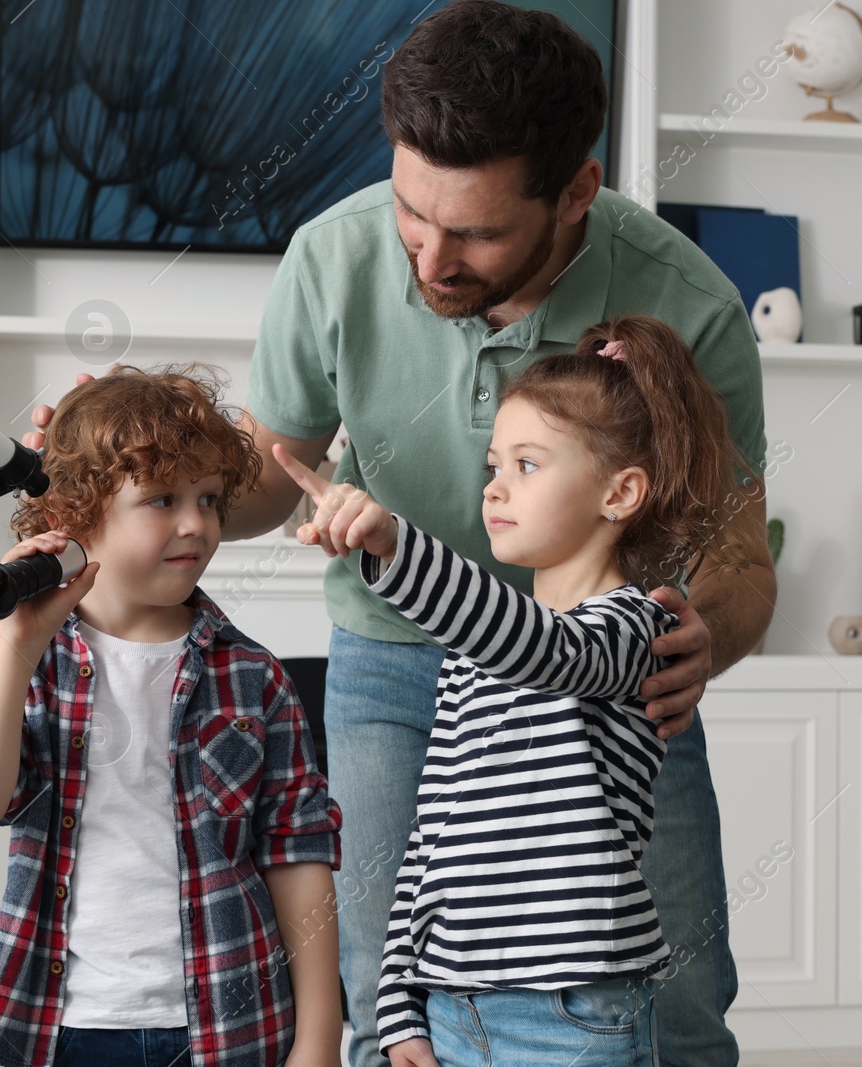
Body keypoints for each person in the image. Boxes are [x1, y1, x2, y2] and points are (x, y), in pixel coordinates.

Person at [28, 5, 776, 1064]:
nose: (428, 256)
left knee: (676, 1003)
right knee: (394, 1001)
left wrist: (710, 631)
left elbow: (740, 558)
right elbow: (263, 483)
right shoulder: (331, 256)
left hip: (607, 681)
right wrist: (136, 469)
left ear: (575, 192)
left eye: (472, 232)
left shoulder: (688, 304)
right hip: (397, 667)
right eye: (411, 213)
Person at [274, 315, 757, 1067]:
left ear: (621, 492)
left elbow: (546, 649)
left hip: (575, 1015)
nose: (495, 486)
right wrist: (398, 1002)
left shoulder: (634, 629)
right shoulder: (475, 657)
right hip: (453, 1009)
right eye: (494, 464)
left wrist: (395, 545)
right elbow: (429, 841)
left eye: (528, 465)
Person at [0, 364, 346, 1067]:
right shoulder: (18, 658)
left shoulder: (254, 677)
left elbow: (298, 857)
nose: (197, 523)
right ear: (73, 516)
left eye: (210, 498)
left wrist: (320, 1037)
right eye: (161, 499)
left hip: (233, 1026)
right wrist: (17, 643)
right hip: (62, 1030)